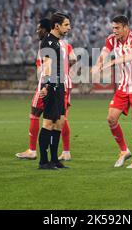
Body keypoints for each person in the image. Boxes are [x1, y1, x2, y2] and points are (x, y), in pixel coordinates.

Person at [92, 15, 132, 169]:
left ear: (125, 27)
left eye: (117, 28)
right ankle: (124, 151)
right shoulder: (111, 39)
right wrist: (97, 66)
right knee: (111, 118)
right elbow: (103, 54)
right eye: (113, 28)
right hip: (124, 85)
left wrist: (111, 62)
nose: (114, 31)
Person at [15, 18, 76, 161]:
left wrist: (45, 84)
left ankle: (34, 151)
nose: (37, 31)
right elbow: (73, 59)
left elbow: (43, 67)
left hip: (49, 83)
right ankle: (65, 152)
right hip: (65, 82)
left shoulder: (46, 43)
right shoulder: (66, 44)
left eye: (39, 28)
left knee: (37, 114)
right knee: (60, 118)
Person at [37, 12, 71, 169]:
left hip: (59, 85)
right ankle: (44, 161)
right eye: (66, 25)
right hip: (52, 85)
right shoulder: (48, 42)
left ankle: (54, 160)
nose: (69, 28)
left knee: (59, 122)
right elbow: (47, 66)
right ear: (56, 26)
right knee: (48, 123)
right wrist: (46, 86)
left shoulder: (57, 42)